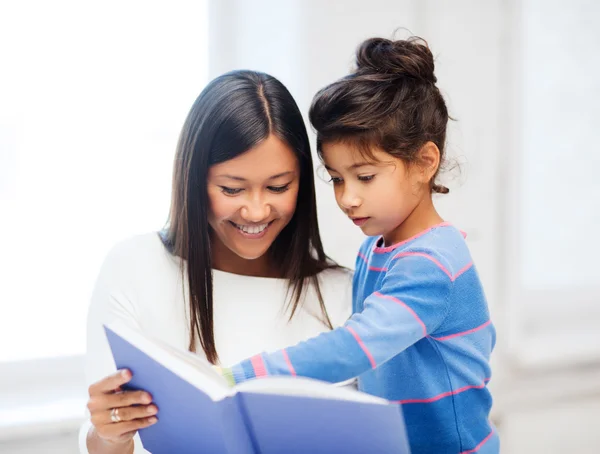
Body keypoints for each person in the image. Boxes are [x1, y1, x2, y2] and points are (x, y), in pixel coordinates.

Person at [219, 37, 499, 454]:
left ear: (424, 162)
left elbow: (356, 348)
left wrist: (239, 377)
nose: (347, 197)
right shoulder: (378, 248)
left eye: (365, 177)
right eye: (336, 178)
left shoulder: (432, 262)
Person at [80, 70, 353, 454]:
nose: (256, 210)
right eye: (232, 188)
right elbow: (108, 441)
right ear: (193, 180)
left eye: (278, 186)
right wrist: (109, 434)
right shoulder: (134, 268)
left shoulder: (343, 294)